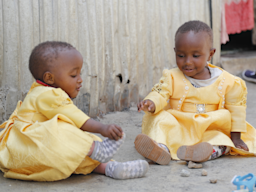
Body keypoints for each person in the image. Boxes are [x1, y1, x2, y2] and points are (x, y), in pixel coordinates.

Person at [0, 41, 148, 181]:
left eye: (80, 74)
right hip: (27, 147)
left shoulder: (40, 92)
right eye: (73, 75)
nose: (80, 80)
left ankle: (111, 168)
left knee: (79, 144)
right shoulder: (47, 94)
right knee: (63, 131)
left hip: (31, 153)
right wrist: (102, 128)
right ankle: (100, 153)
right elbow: (77, 118)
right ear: (49, 78)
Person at [134, 20, 256, 165]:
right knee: (160, 119)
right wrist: (152, 102)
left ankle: (204, 152)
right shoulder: (172, 76)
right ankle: (161, 148)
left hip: (210, 127)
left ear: (210, 54)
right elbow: (161, 93)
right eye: (181, 55)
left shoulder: (229, 81)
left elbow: (236, 110)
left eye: (195, 56)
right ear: (175, 52)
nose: (187, 62)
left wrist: (236, 138)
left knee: (221, 138)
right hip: (180, 125)